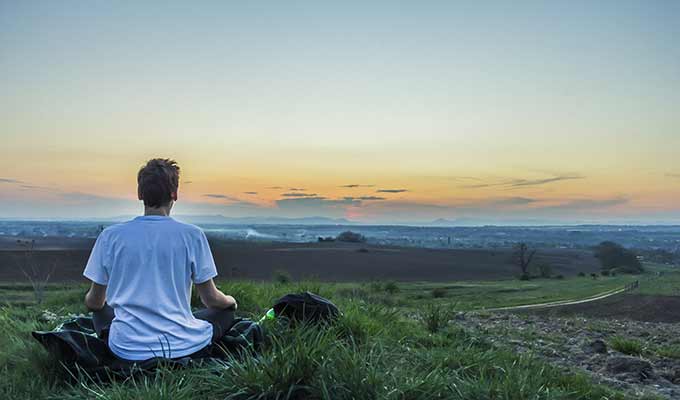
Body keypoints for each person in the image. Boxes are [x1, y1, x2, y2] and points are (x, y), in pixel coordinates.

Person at [82, 158, 237, 361]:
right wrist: (231, 301)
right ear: (174, 194)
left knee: (100, 311)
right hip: (183, 346)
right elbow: (211, 300)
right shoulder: (193, 235)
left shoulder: (110, 236)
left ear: (140, 194)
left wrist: (105, 304)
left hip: (126, 349)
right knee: (225, 313)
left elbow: (94, 302)